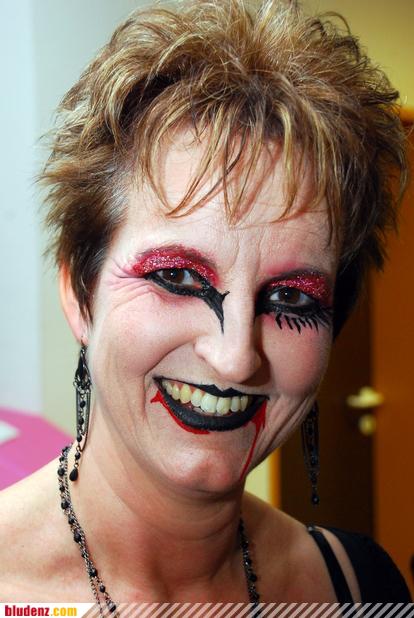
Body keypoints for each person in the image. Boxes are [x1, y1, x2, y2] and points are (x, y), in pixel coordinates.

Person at [0, 0, 411, 608]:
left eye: (291, 296)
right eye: (177, 277)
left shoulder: (358, 585)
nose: (235, 357)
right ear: (79, 293)